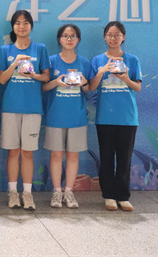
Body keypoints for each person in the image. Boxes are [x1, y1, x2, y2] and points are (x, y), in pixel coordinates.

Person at [0, 10, 49, 210]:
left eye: (25, 23)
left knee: (27, 153)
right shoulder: (5, 50)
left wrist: (33, 75)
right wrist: (15, 63)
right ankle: (13, 193)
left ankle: (27, 194)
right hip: (11, 107)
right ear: (13, 27)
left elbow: (46, 77)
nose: (22, 26)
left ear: (31, 26)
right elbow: (1, 79)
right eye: (18, 23)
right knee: (13, 152)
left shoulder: (40, 48)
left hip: (33, 107)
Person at [89, 21, 142, 212]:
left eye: (117, 35)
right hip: (105, 117)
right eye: (110, 35)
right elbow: (91, 87)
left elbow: (137, 87)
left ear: (123, 37)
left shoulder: (132, 60)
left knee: (124, 159)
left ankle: (123, 196)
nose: (113, 38)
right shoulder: (97, 60)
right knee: (106, 158)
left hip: (127, 117)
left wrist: (125, 78)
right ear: (104, 37)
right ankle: (109, 196)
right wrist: (101, 72)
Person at [42, 24, 91, 209]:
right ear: (59, 39)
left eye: (73, 36)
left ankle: (69, 192)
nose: (69, 39)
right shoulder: (51, 61)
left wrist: (84, 83)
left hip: (77, 117)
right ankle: (57, 192)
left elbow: (88, 90)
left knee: (73, 155)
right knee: (56, 155)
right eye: (65, 36)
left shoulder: (84, 62)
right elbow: (43, 87)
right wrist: (56, 81)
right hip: (55, 116)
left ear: (78, 39)